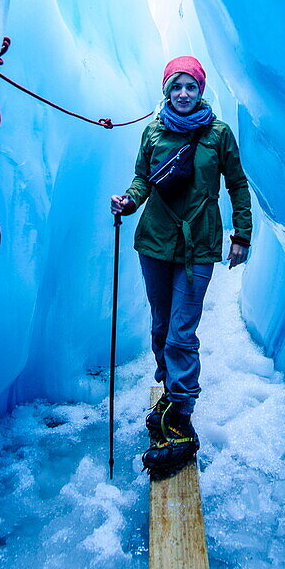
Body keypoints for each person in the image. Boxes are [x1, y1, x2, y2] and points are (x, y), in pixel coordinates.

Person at [111, 55, 252, 475]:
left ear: (201, 90)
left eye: (191, 86)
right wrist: (129, 200)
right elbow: (142, 179)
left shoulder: (219, 134)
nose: (184, 94)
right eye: (177, 86)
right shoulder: (153, 131)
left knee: (180, 333)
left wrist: (241, 234)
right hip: (154, 242)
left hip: (199, 244)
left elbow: (237, 183)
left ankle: (182, 423)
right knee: (160, 327)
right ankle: (172, 392)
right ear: (166, 91)